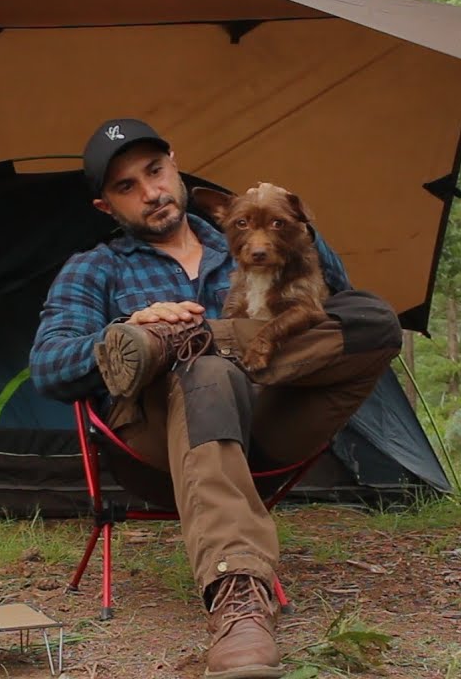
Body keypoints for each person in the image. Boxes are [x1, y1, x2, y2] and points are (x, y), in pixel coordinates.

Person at [29, 118, 401, 679]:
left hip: (268, 423)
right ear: (107, 206)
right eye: (127, 187)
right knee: (205, 374)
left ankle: (183, 343)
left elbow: (335, 308)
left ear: (175, 165)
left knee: (373, 318)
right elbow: (48, 367)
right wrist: (128, 327)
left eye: (155, 171)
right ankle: (240, 599)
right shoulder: (95, 268)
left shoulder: (247, 230)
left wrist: (290, 222)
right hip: (156, 449)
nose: (151, 192)